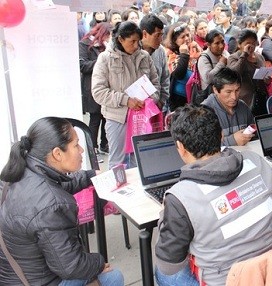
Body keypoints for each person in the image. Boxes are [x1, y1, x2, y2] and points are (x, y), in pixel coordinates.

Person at [154, 105, 272, 286]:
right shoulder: (257, 162)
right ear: (221, 135)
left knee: (162, 273)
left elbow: (169, 265)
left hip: (227, 281)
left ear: (180, 147)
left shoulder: (180, 198)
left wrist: (164, 217)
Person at [0, 117, 124, 285]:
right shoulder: (51, 204)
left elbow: (57, 187)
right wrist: (99, 263)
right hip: (37, 281)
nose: (81, 150)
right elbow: (71, 267)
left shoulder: (20, 171)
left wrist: (90, 175)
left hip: (16, 273)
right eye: (75, 145)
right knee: (113, 277)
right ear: (57, 153)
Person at [92, 21, 160, 168]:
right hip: (118, 118)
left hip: (142, 117)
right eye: (132, 41)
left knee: (141, 160)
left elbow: (155, 84)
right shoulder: (105, 59)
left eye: (138, 41)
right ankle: (118, 189)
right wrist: (126, 100)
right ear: (120, 39)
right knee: (118, 162)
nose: (136, 46)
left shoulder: (144, 57)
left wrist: (150, 100)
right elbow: (98, 91)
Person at [79, 22, 112, 156]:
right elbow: (82, 65)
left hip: (108, 87)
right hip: (92, 86)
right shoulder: (85, 44)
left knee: (106, 118)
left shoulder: (109, 47)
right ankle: (93, 148)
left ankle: (104, 144)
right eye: (107, 35)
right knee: (95, 119)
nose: (109, 38)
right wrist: (101, 61)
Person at [202, 68, 254, 146]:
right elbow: (203, 147)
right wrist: (232, 141)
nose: (234, 97)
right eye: (228, 92)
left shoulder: (243, 107)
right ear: (215, 90)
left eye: (237, 90)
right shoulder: (204, 111)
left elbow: (255, 134)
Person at [227, 29, 270, 115]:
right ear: (239, 44)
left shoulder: (260, 57)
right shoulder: (234, 57)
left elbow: (262, 76)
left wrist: (266, 79)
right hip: (245, 99)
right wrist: (244, 55)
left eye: (254, 43)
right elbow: (234, 74)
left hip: (261, 97)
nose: (251, 46)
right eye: (247, 44)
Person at [165, 22, 202, 110]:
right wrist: (184, 55)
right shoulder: (171, 55)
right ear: (175, 41)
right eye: (182, 37)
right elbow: (179, 75)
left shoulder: (195, 49)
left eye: (187, 35)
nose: (186, 39)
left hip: (196, 97)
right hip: (179, 102)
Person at [140, 14, 170, 114]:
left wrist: (161, 101)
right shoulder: (133, 51)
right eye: (157, 35)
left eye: (162, 35)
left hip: (156, 106)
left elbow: (165, 78)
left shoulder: (160, 51)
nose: (160, 40)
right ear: (144, 34)